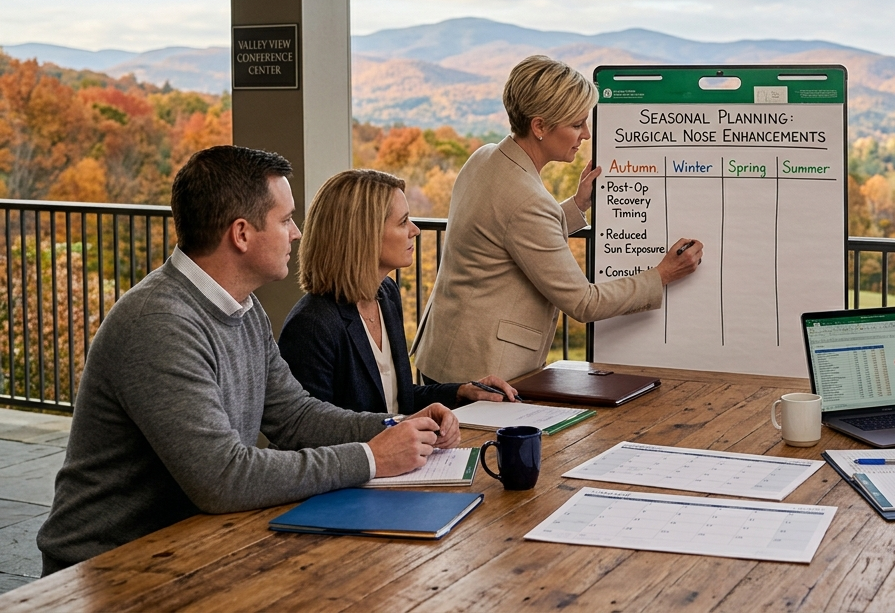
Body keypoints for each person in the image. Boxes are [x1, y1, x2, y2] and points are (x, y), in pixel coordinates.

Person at [36, 146, 459, 574]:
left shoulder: (244, 308)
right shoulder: (159, 323)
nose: (297, 233)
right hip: (109, 566)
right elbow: (223, 478)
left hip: (190, 545)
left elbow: (295, 416)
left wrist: (396, 426)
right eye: (285, 220)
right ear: (241, 234)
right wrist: (371, 458)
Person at [413, 55, 704, 384]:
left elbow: (509, 232)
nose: (586, 134)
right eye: (577, 124)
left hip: (444, 353)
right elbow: (584, 303)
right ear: (539, 126)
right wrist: (662, 275)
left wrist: (577, 205)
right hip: (482, 372)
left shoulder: (485, 157)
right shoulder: (527, 201)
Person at [279, 169, 519, 414]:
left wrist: (459, 392)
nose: (415, 230)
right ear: (365, 234)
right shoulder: (312, 326)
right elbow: (314, 428)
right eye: (403, 222)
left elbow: (396, 397)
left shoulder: (386, 294)